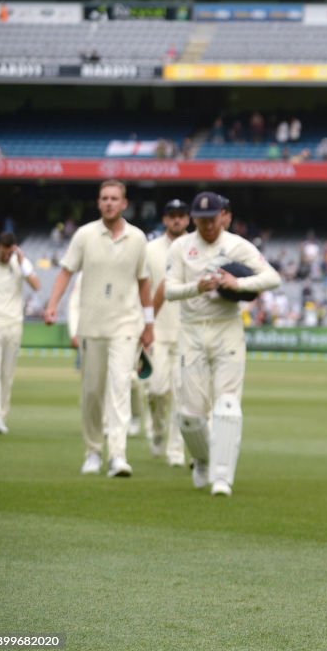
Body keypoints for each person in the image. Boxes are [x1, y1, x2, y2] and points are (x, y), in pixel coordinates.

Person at [164, 191, 280, 497]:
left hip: (226, 329)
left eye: (212, 220)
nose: (207, 226)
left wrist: (237, 284)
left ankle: (221, 477)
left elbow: (272, 278)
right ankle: (202, 460)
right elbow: (169, 291)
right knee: (190, 415)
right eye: (201, 221)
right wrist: (196, 287)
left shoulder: (237, 246)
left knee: (227, 406)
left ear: (223, 217)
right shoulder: (180, 247)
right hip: (191, 332)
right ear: (193, 220)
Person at [43, 179, 154, 477]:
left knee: (120, 387)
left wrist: (149, 323)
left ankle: (117, 455)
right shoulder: (85, 235)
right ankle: (93, 450)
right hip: (92, 325)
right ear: (98, 202)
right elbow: (66, 272)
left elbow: (144, 282)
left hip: (126, 325)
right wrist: (52, 304)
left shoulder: (138, 238)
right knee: (92, 392)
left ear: (124, 203)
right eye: (104, 198)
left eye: (114, 198)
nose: (109, 203)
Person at [0, 232, 41, 434]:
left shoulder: (19, 266)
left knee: (7, 374)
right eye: (4, 252)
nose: (7, 256)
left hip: (13, 326)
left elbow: (36, 285)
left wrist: (23, 263)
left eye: (10, 252)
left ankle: (1, 417)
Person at [147, 199, 191, 467]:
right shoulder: (150, 250)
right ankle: (157, 429)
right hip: (157, 333)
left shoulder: (195, 248)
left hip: (187, 333)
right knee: (156, 390)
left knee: (181, 395)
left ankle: (176, 450)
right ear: (164, 220)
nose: (177, 220)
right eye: (172, 216)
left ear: (188, 219)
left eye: (181, 216)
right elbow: (143, 288)